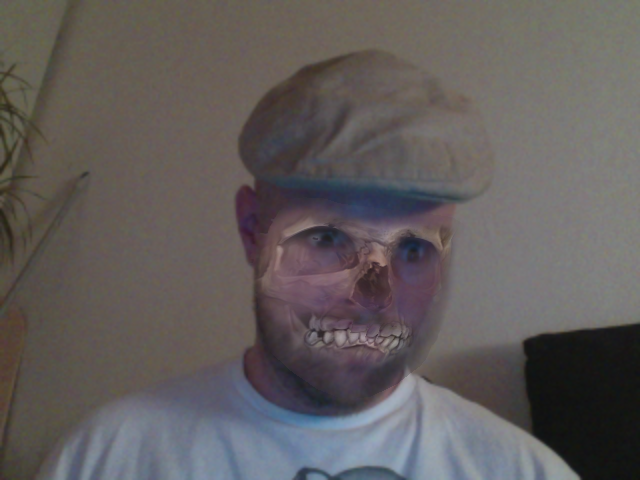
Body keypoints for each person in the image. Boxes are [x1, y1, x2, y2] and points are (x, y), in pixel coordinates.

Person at [36, 50, 578, 479]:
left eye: (413, 250)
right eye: (327, 238)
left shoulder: (520, 470)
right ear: (252, 229)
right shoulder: (104, 459)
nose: (372, 296)